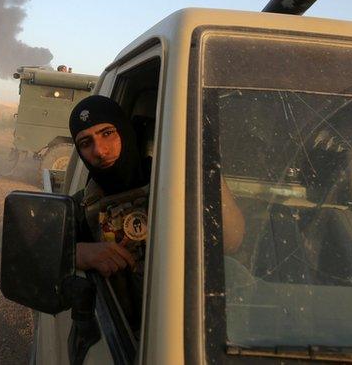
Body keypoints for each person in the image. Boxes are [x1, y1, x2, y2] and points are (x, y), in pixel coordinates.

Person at [67, 95, 245, 330]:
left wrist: (206, 159)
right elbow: (44, 259)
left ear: (125, 130)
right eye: (86, 143)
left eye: (107, 133)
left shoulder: (176, 179)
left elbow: (231, 241)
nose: (99, 150)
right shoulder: (82, 207)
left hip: (193, 327)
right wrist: (78, 253)